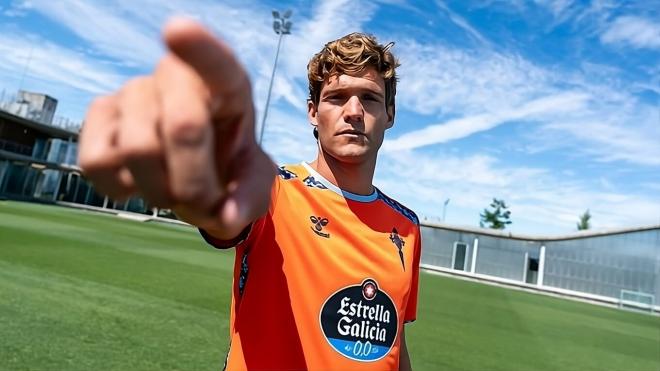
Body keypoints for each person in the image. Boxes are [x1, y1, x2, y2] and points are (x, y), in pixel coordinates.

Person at [79, 18, 421, 371]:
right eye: (336, 98)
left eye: (370, 98)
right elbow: (224, 216)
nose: (353, 112)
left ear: (390, 114)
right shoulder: (272, 190)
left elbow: (395, 343)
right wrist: (204, 180)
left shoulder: (406, 227)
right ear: (312, 113)